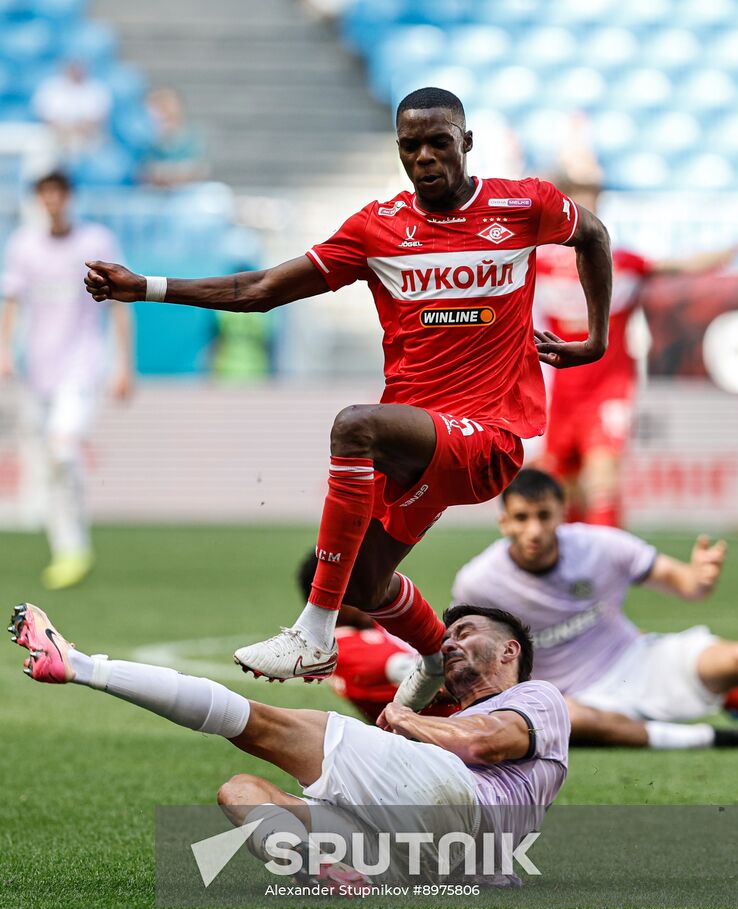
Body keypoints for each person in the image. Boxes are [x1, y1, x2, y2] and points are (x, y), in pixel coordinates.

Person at [83, 86, 612, 691]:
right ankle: (443, 660)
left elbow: (592, 235)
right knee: (366, 583)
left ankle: (314, 632)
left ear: (466, 143)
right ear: (399, 150)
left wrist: (595, 339)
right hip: (418, 445)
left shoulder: (523, 205)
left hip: (488, 437)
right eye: (411, 147)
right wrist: (145, 286)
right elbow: (259, 289)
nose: (426, 159)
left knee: (354, 426)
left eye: (440, 143)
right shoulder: (377, 229)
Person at [8, 601, 569, 887]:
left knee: (260, 724)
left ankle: (82, 666)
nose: (450, 641)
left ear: (510, 651)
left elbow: (488, 744)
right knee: (242, 793)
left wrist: (404, 717)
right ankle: (341, 880)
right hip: (446, 866)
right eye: (447, 635)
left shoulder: (539, 698)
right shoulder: (446, 716)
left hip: (466, 813)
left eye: (466, 632)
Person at [398, 469, 738, 750]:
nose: (534, 531)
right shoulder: (478, 582)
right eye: (522, 518)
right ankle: (729, 738)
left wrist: (701, 576)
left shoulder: (601, 546)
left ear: (562, 513)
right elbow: (466, 653)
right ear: (504, 522)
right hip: (571, 696)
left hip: (638, 660)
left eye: (544, 516)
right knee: (566, 717)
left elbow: (687, 585)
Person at [535, 176, 738, 526]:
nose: (587, 205)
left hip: (607, 388)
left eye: (592, 198)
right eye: (580, 198)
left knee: (603, 478)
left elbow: (682, 266)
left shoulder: (623, 260)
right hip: (561, 393)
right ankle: (575, 567)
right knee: (562, 488)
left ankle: (608, 570)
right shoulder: (543, 262)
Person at [0, 171, 134, 589]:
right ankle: (69, 550)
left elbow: (118, 305)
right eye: (45, 195)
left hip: (82, 364)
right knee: (49, 462)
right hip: (38, 369)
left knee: (61, 447)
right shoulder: (23, 245)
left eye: (58, 194)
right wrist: (4, 350)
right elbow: (13, 302)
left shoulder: (95, 242)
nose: (52, 202)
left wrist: (124, 365)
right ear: (39, 200)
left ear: (69, 197)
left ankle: (74, 544)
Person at [296, 550, 459, 722]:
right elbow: (444, 678)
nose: (368, 588)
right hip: (455, 728)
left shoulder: (369, 622)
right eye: (355, 584)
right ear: (329, 596)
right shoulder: (342, 650)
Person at [32, 61, 112, 158]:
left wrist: (75, 131)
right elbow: (46, 117)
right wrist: (64, 131)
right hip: (55, 135)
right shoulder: (50, 87)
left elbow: (95, 120)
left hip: (86, 137)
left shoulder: (97, 89)